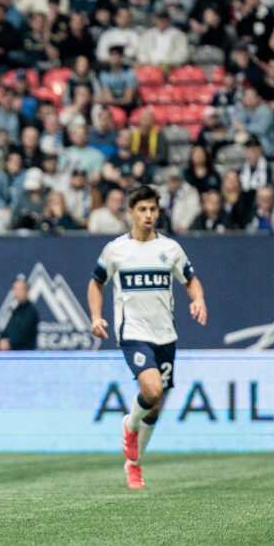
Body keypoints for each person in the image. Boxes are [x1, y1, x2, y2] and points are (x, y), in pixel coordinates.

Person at [87, 185, 207, 489]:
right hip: (133, 333)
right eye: (142, 209)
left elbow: (191, 280)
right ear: (131, 213)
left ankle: (134, 464)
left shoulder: (170, 249)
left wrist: (198, 299)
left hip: (165, 335)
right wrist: (96, 316)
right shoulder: (116, 249)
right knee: (151, 390)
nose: (148, 214)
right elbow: (96, 283)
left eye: (153, 209)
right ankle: (129, 424)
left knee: (157, 405)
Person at [0, 277, 39, 351]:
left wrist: (9, 343)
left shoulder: (31, 312)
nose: (16, 292)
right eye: (15, 289)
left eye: (19, 289)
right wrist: (2, 339)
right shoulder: (15, 310)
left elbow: (24, 335)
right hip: (11, 354)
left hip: (24, 355)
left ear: (27, 291)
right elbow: (7, 330)